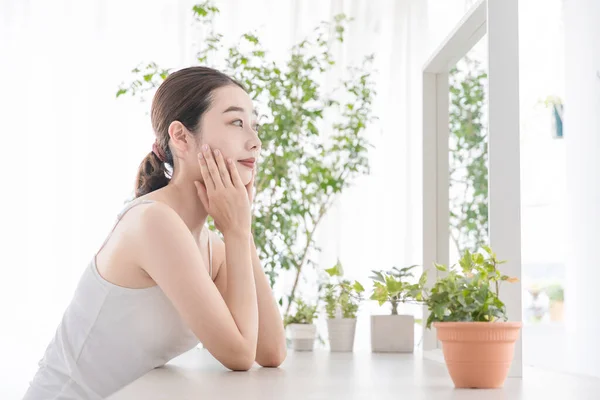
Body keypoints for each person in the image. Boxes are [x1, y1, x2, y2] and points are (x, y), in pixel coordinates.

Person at [23, 66, 287, 400]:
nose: (255, 141)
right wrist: (235, 232)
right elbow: (239, 355)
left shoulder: (210, 246)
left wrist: (242, 231)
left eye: (255, 125)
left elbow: (271, 350)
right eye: (237, 122)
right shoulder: (153, 221)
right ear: (181, 136)